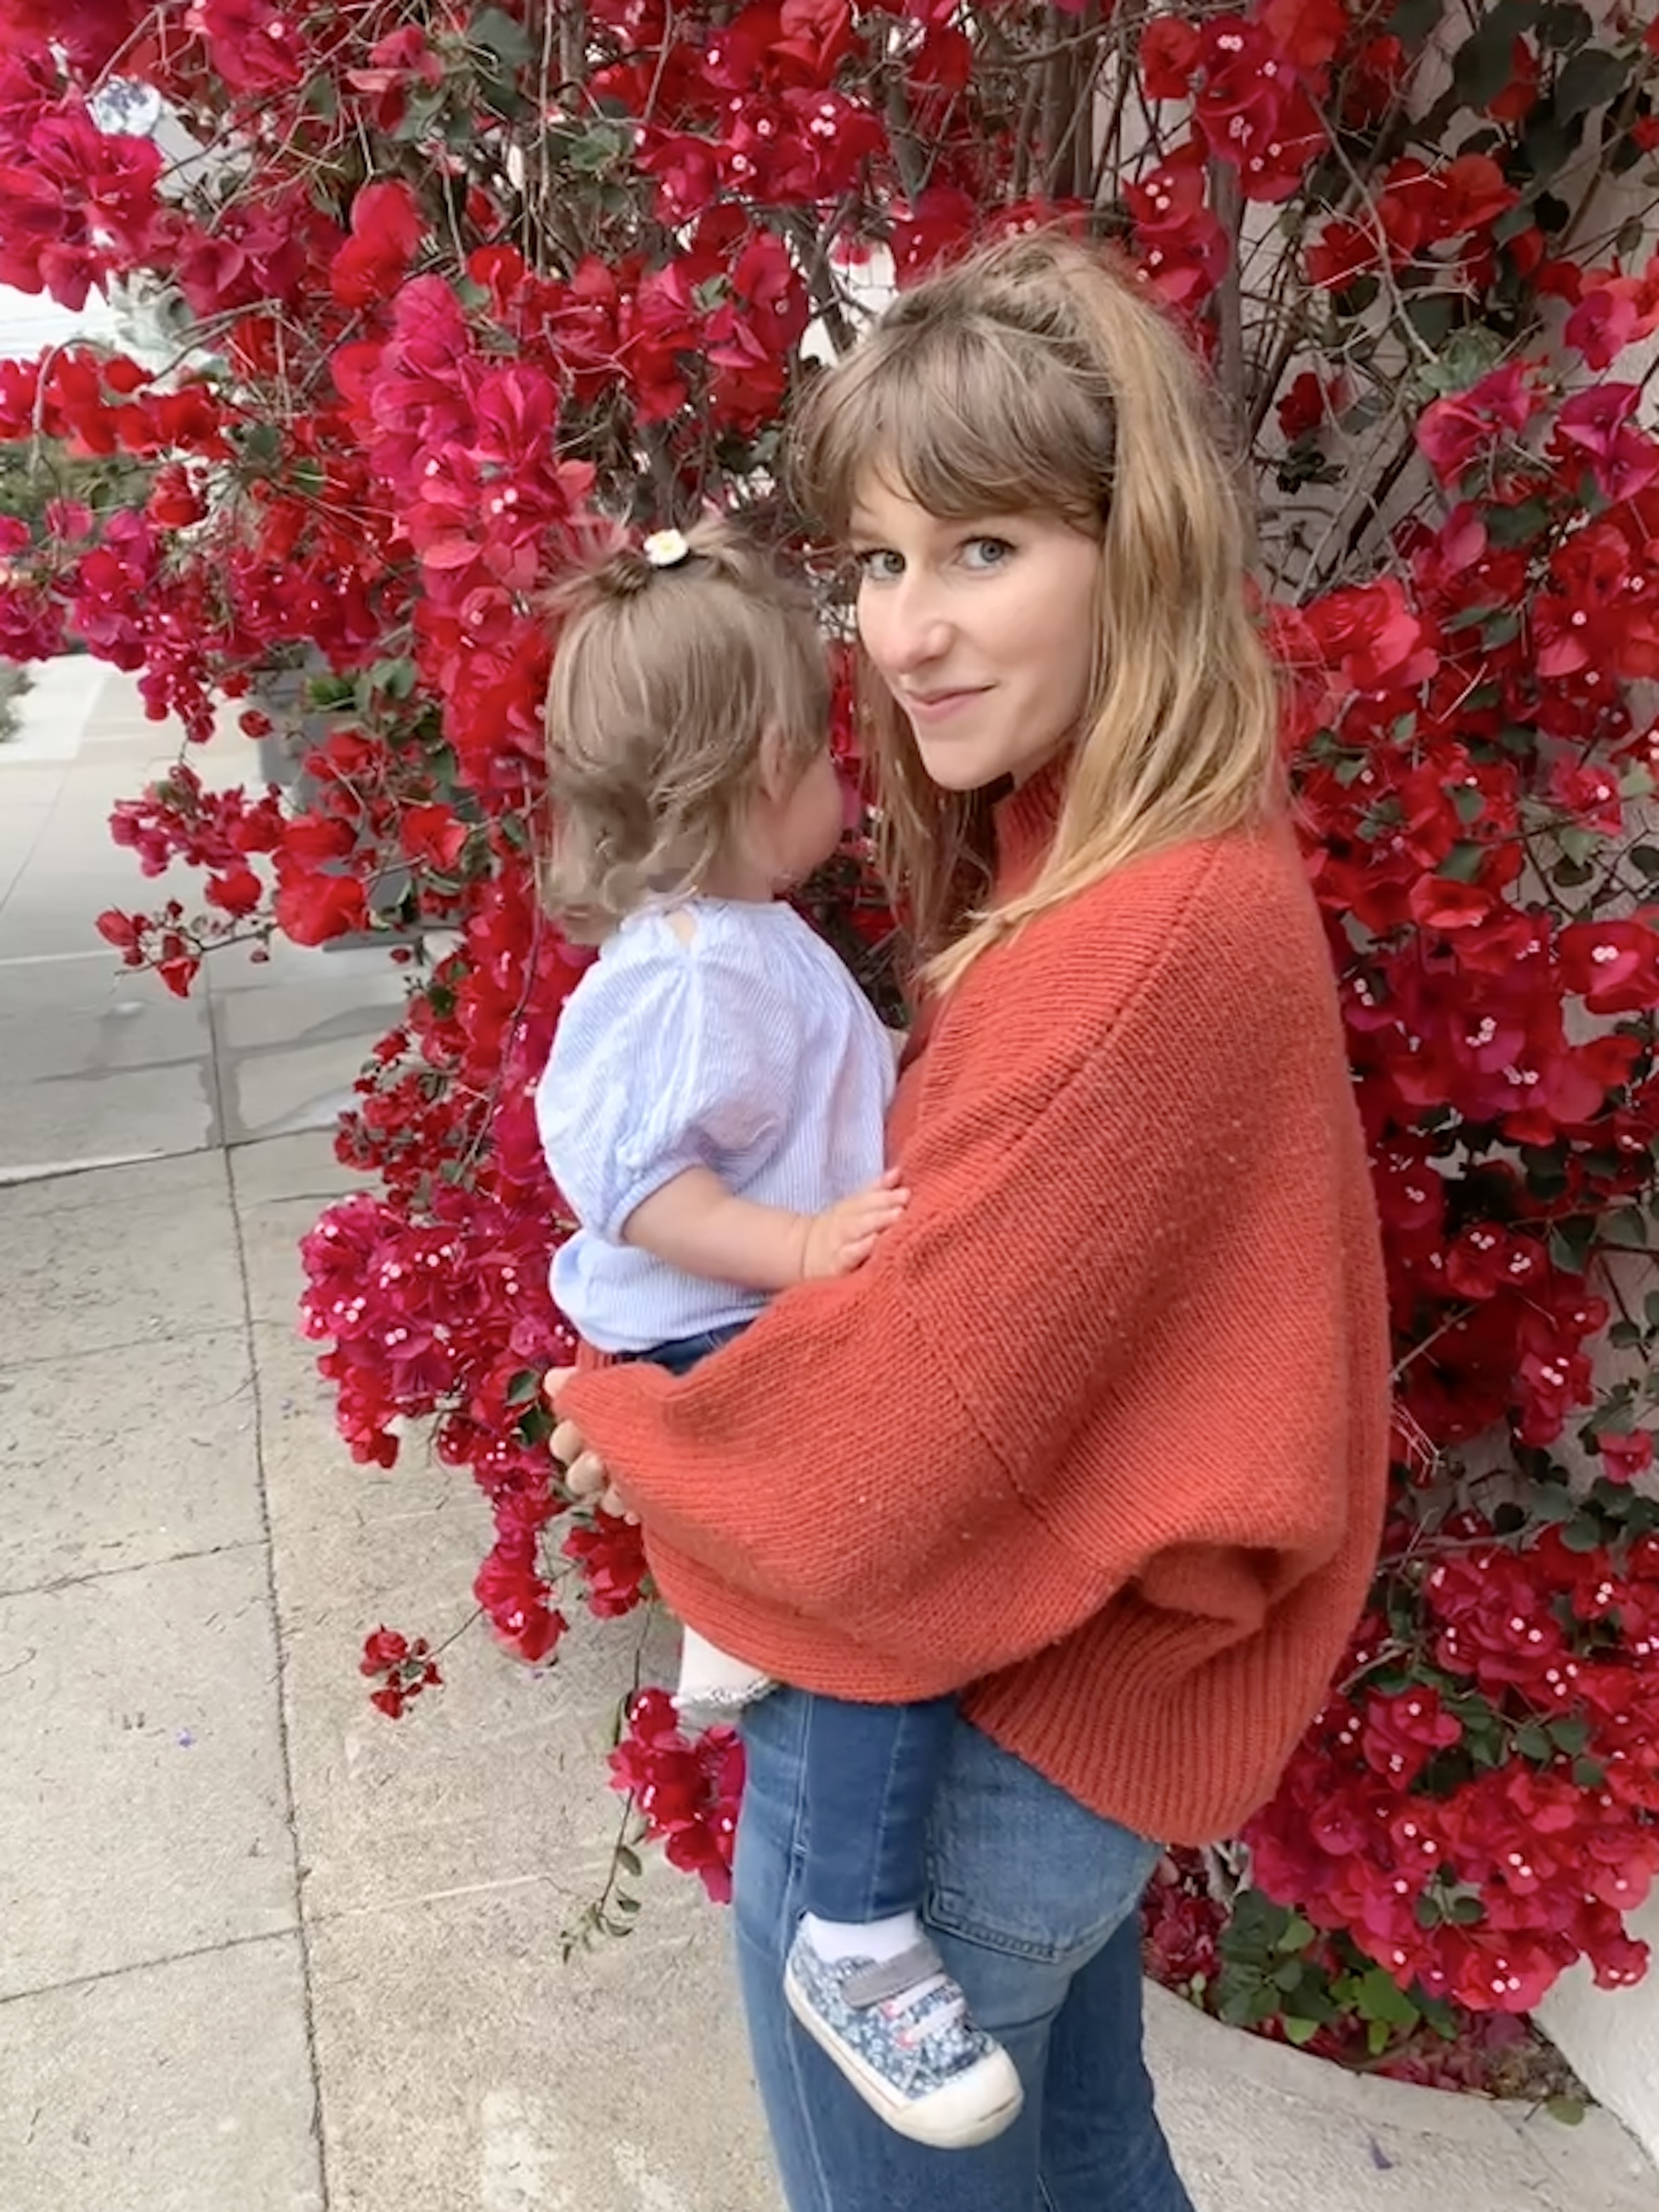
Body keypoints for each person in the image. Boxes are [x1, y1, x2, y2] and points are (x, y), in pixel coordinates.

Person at [547, 228, 1392, 2212]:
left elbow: (917, 1431)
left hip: (951, 1805)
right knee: (1097, 2174)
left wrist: (643, 1439)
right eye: (877, 564)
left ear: (1142, 548)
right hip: (1053, 1734)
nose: (908, 632)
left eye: (984, 550)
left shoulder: (1143, 935)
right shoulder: (1132, 855)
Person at [534, 517, 1025, 2151]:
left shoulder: (735, 944)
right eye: (825, 754)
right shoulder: (699, 969)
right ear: (759, 768)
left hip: (737, 1329)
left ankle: (737, 1603)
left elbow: (795, 1092)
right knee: (880, 1584)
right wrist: (802, 1246)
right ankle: (857, 1935)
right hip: (711, 1332)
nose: (849, 784)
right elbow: (635, 1183)